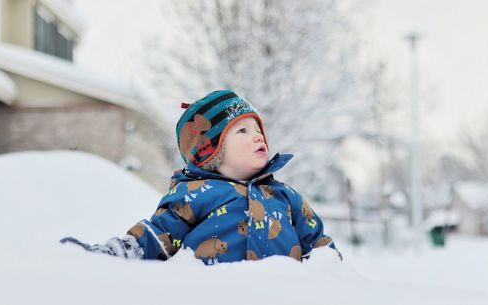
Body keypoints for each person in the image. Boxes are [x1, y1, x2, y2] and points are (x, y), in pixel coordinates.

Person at [61, 90, 342, 265]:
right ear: (212, 152)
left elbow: (318, 246)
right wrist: (114, 254)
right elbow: (157, 237)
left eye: (257, 129)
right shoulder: (196, 193)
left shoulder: (286, 197)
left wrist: (332, 273)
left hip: (279, 294)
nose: (257, 135)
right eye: (241, 131)